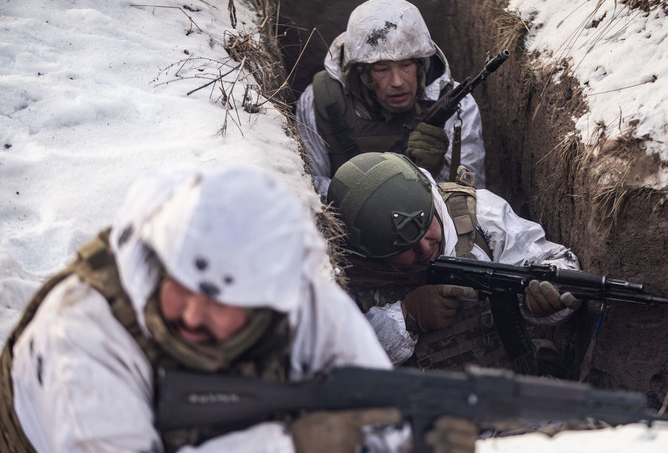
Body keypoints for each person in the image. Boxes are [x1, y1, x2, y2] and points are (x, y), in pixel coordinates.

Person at [0, 163, 476, 453]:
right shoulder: (81, 342)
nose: (190, 313)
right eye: (180, 287)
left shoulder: (289, 291)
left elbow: (373, 400)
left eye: (218, 303)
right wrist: (293, 445)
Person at [327, 152, 582, 376]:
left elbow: (550, 260)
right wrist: (406, 316)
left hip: (510, 396)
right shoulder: (336, 267)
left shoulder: (479, 215)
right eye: (404, 249)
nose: (424, 248)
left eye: (426, 228)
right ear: (371, 253)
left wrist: (547, 296)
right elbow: (334, 361)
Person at [295, 0, 487, 200]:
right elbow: (309, 189)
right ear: (361, 73)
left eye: (406, 66)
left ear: (421, 65)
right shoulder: (321, 101)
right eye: (381, 69)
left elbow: (472, 197)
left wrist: (436, 171)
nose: (397, 82)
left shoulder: (456, 103)